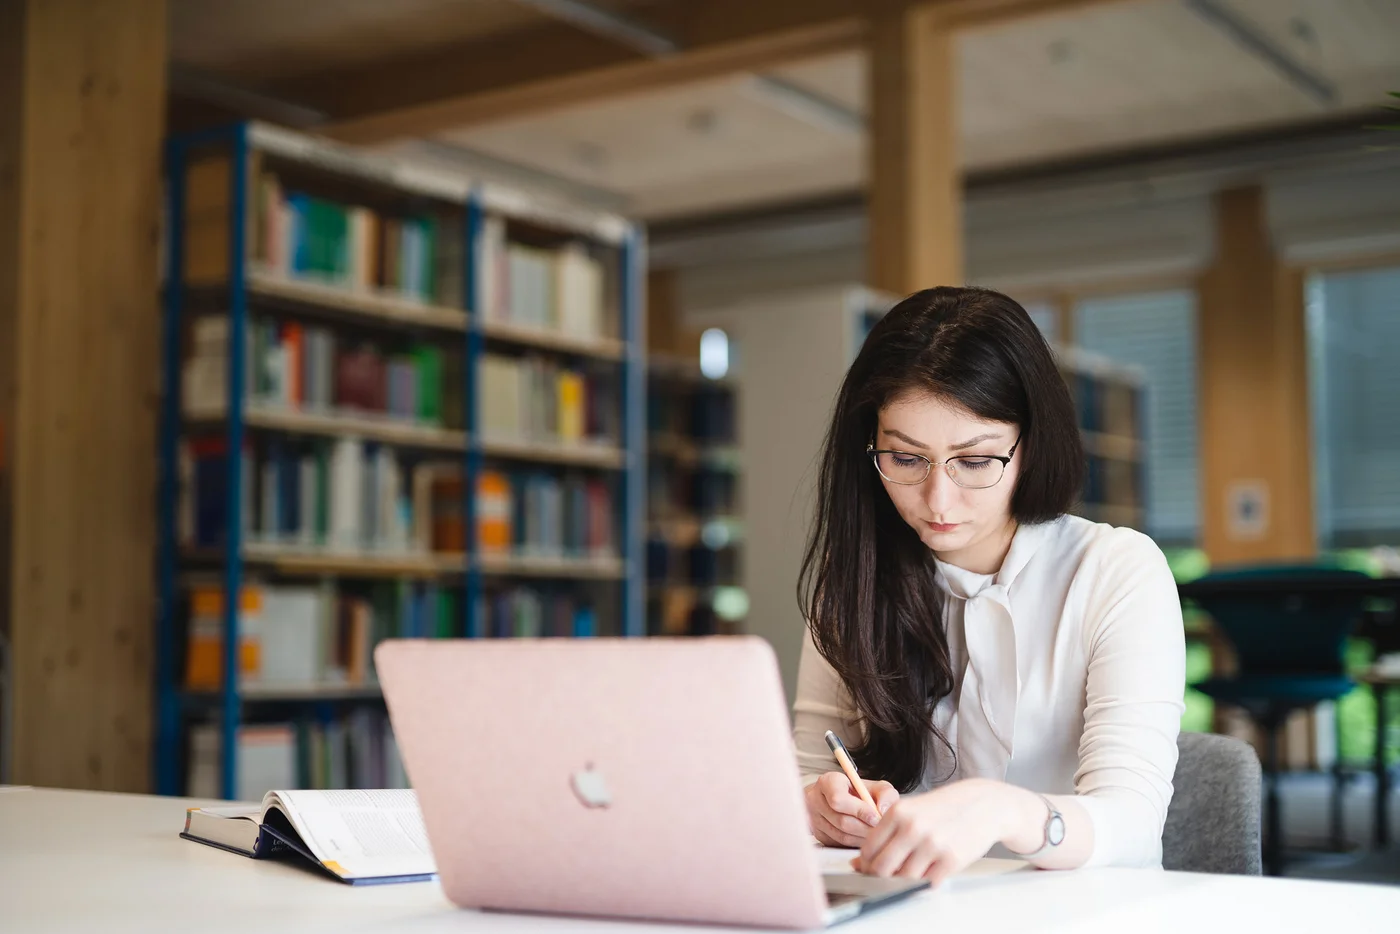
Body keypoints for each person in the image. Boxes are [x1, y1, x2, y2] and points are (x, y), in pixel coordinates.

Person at [794, 286, 1185, 885]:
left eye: (975, 462)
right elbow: (806, 774)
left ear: (1031, 445)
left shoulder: (1117, 571)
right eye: (904, 459)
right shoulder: (853, 583)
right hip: (909, 912)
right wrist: (816, 806)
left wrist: (1002, 810)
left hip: (1078, 913)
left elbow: (1132, 825)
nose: (938, 500)